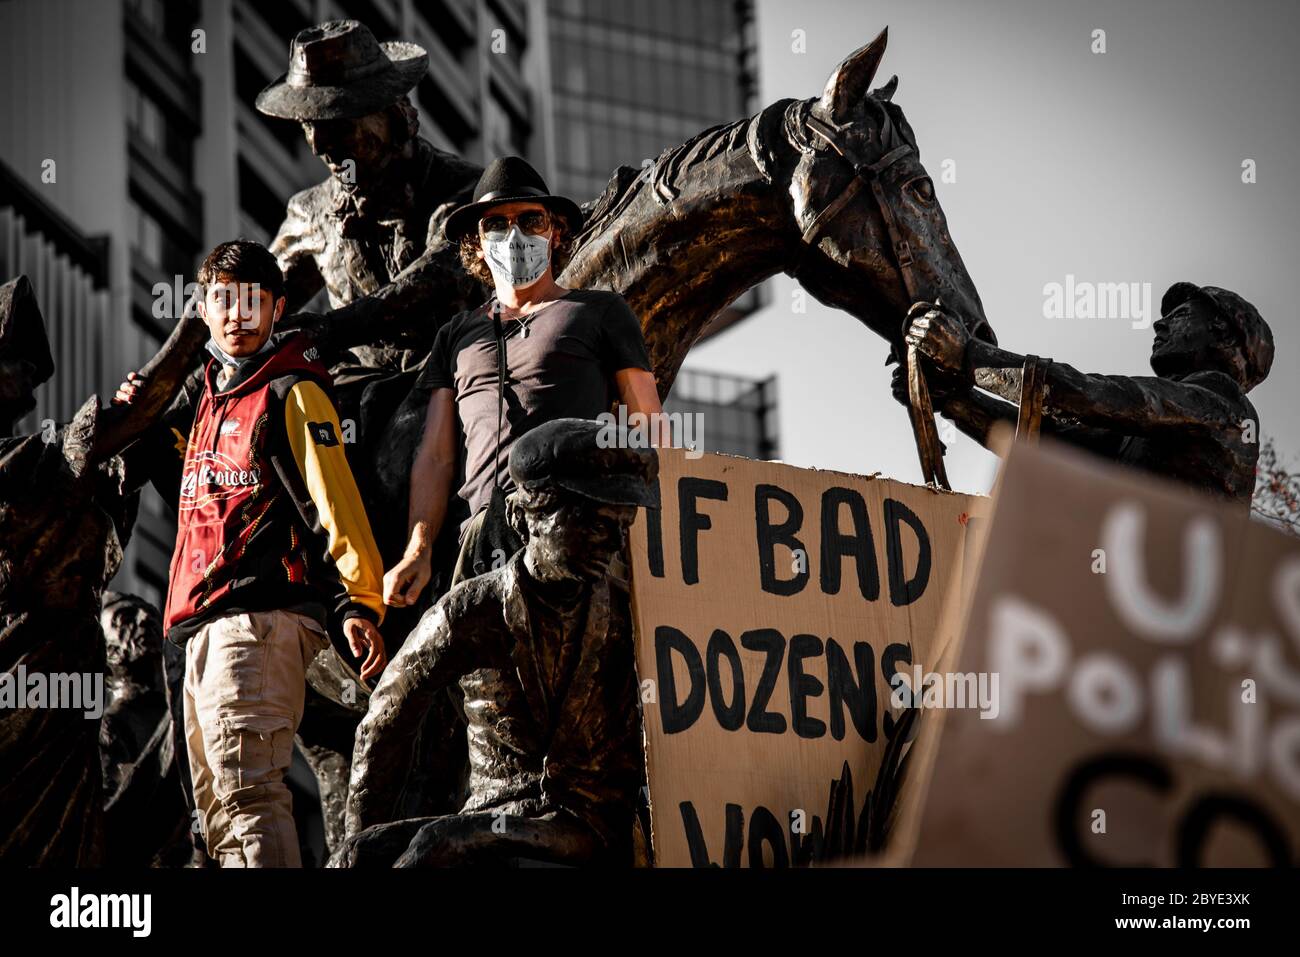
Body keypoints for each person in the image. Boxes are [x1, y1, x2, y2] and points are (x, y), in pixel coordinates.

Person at [114, 240, 389, 866]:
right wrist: (146, 406)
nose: (237, 315)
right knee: (211, 817)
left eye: (253, 301)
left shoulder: (293, 390)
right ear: (203, 312)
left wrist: (357, 601)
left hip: (260, 622)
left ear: (277, 308)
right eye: (223, 301)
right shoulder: (206, 399)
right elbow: (181, 485)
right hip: (194, 626)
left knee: (248, 795)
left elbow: (334, 503)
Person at [336, 418, 658, 867]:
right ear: (525, 518)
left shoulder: (630, 617)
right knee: (358, 854)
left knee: (441, 846)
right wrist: (363, 835)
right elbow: (386, 724)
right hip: (493, 817)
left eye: (622, 524)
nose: (613, 540)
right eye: (592, 522)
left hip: (591, 824)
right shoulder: (471, 612)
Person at [383, 156, 668, 606]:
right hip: (478, 542)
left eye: (530, 220)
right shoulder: (455, 334)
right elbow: (436, 456)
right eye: (495, 224)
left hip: (569, 528)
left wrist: (654, 547)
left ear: (555, 232)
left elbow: (648, 427)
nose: (513, 235)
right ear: (476, 244)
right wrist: (418, 550)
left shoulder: (600, 311)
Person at [901, 282, 1274, 506]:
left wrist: (970, 357)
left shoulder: (1223, 402)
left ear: (1222, 332)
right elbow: (1043, 440)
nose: (1160, 323)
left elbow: (1091, 396)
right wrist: (950, 399)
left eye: (1180, 315)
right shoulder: (1161, 432)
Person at [257, 18, 483, 373]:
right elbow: (247, 306)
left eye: (337, 125)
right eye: (308, 126)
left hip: (459, 391)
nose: (318, 146)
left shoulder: (466, 189)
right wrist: (160, 385)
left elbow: (436, 277)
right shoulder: (309, 212)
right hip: (358, 407)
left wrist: (329, 329)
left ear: (390, 115)